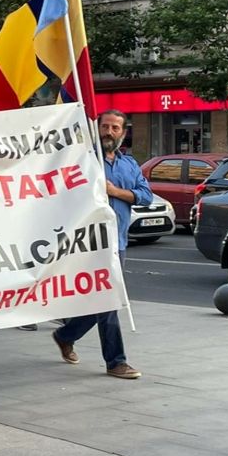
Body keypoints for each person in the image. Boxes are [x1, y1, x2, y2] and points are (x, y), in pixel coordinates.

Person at [50, 110, 151, 380]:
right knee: (109, 299)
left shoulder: (129, 164)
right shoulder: (84, 160)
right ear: (97, 130)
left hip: (118, 242)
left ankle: (65, 335)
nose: (109, 132)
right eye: (105, 127)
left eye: (115, 128)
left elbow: (145, 196)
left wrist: (116, 192)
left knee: (103, 300)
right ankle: (116, 361)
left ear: (123, 132)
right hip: (90, 242)